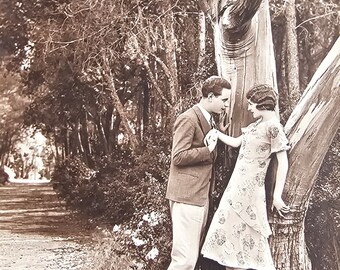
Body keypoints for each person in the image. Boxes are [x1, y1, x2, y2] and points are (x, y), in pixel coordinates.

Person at [201, 84, 290, 270]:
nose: (249, 108)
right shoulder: (256, 125)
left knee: (247, 242)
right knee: (230, 241)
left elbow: (283, 161)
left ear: (263, 105)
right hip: (235, 189)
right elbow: (235, 143)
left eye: (252, 104)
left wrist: (277, 195)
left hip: (250, 193)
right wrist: (217, 133)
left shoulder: (273, 128)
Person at [166, 75, 232, 270]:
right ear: (210, 96)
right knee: (183, 260)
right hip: (187, 197)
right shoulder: (188, 118)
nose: (226, 106)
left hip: (200, 197)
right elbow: (178, 157)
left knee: (190, 259)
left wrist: (218, 131)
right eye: (224, 100)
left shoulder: (209, 119)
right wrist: (207, 150)